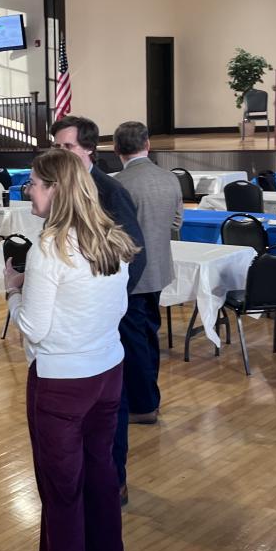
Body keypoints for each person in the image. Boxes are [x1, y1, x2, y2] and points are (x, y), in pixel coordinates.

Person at [4, 149, 138, 551]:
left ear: (56, 189)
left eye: (35, 185)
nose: (29, 192)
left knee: (62, 492)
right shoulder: (111, 237)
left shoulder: (49, 248)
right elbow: (117, 308)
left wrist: (12, 289)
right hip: (107, 371)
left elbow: (35, 328)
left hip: (61, 382)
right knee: (101, 479)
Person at [50, 115, 146, 506]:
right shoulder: (58, 189)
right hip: (71, 321)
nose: (61, 154)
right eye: (56, 147)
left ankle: (114, 478)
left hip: (106, 318)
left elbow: (134, 253)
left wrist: (110, 303)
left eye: (67, 147)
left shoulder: (109, 191)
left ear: (88, 149)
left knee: (111, 404)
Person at [112, 121, 181, 429]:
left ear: (116, 149)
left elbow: (111, 234)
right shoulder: (170, 179)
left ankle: (143, 405)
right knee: (148, 336)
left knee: (133, 341)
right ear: (148, 145)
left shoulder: (117, 183)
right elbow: (176, 223)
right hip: (159, 269)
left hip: (129, 273)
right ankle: (149, 398)